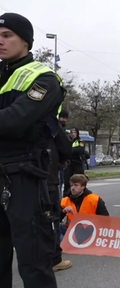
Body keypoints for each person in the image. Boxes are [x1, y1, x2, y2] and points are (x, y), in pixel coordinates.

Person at [0, 12, 65, 288]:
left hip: (24, 176)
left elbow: (14, 121)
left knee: (33, 263)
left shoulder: (44, 78)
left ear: (25, 41)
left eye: (6, 35)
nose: (0, 41)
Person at [47, 115, 73, 272]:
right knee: (51, 217)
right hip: (46, 176)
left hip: (16, 177)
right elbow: (65, 148)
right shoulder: (49, 121)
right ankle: (54, 259)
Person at [63, 127, 85, 197]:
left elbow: (80, 150)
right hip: (69, 164)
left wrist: (71, 150)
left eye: (75, 132)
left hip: (77, 164)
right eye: (72, 132)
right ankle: (66, 198)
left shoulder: (80, 141)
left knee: (79, 181)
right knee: (67, 183)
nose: (73, 134)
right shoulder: (68, 140)